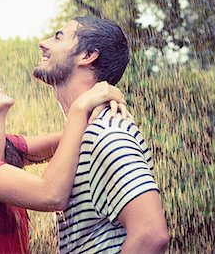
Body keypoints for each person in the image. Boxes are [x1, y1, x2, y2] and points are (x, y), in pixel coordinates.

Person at [0, 66, 127, 253]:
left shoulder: (6, 147)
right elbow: (51, 195)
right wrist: (80, 107)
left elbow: (72, 138)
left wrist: (100, 105)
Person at [33, 15, 169, 253]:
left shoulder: (105, 132)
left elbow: (151, 234)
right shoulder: (81, 136)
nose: (43, 43)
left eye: (58, 37)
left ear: (87, 55)